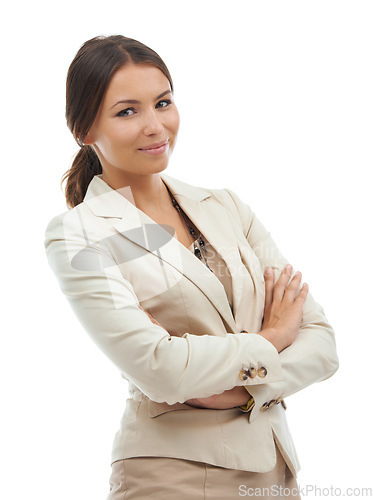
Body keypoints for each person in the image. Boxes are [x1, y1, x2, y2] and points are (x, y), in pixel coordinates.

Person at [44, 35, 339, 499]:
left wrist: (240, 390)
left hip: (275, 473)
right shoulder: (80, 234)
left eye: (163, 103)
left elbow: (321, 341)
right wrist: (273, 338)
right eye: (127, 111)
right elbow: (160, 369)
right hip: (172, 475)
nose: (155, 126)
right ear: (84, 130)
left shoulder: (224, 206)